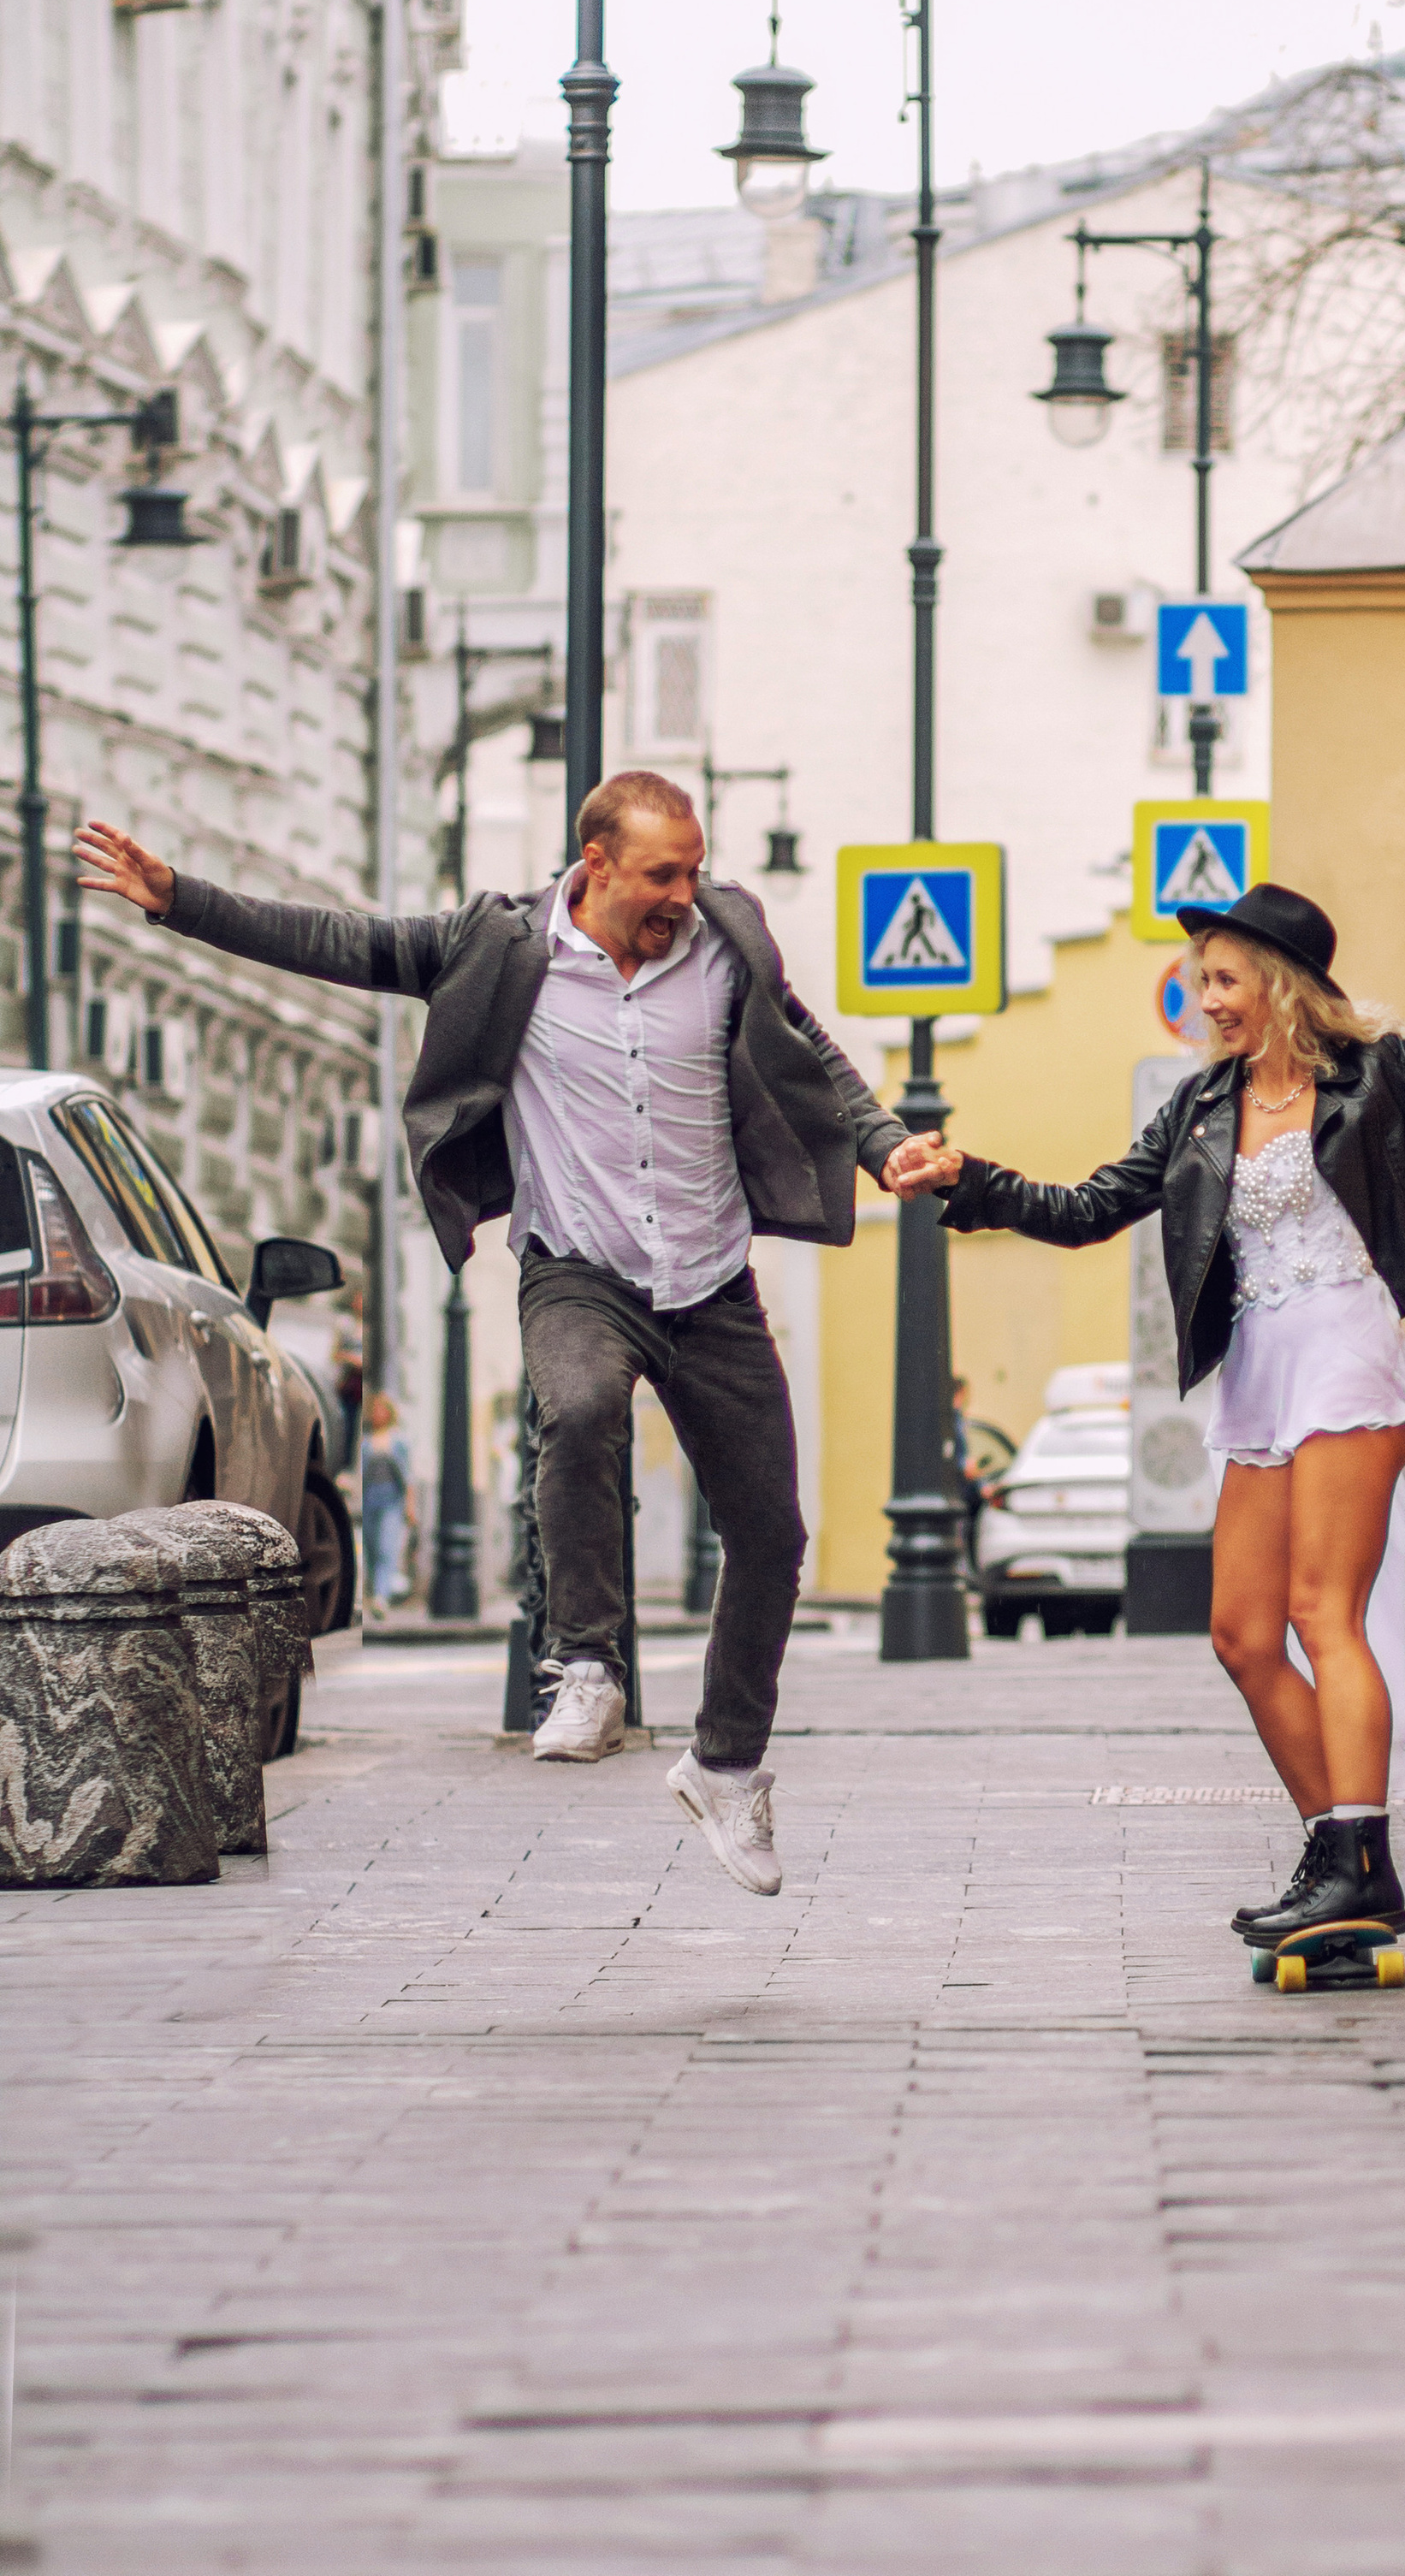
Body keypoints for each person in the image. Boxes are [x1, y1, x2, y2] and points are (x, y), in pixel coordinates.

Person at [74, 773, 946, 1894]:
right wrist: (179, 899)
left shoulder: (727, 942)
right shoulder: (500, 948)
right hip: (578, 1271)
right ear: (596, 866)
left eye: (694, 869)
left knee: (771, 1537)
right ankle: (583, 1664)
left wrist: (882, 1143)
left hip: (711, 1283)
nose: (685, 894)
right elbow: (343, 943)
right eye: (663, 875)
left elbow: (808, 1050)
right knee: (578, 1409)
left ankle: (727, 1766)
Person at [894, 880, 1405, 1961]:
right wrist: (969, 1179)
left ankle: (1357, 1863)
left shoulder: (1380, 1076)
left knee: (1323, 1613)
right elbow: (1089, 1209)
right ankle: (1341, 1858)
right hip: (1258, 1374)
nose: (1205, 1001)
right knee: (1241, 1633)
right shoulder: (1199, 1108)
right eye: (1200, 982)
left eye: (1223, 980)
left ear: (1281, 984)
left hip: (1346, 1358)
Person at [358, 1390, 415, 1620]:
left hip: (391, 1500)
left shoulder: (398, 1441)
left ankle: (381, 1597)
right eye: (375, 1410)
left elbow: (407, 1478)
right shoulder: (366, 1442)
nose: (377, 1414)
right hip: (370, 1500)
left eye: (382, 1409)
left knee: (386, 1548)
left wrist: (410, 1506)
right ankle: (376, 1593)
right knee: (371, 1550)